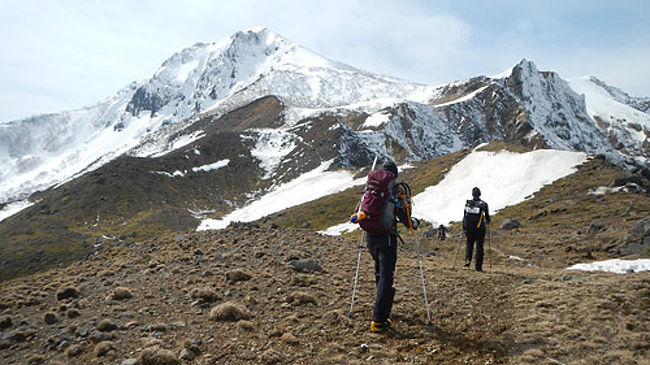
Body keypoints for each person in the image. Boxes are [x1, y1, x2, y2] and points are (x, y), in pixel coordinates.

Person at [350, 161, 418, 332]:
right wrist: (413, 223)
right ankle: (379, 320)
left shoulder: (370, 188)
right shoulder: (395, 190)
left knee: (380, 273)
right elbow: (405, 216)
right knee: (386, 277)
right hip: (387, 238)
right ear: (394, 175)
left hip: (370, 237)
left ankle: (382, 308)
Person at [463, 187, 490, 272]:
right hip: (480, 228)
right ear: (480, 194)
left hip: (469, 228)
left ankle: (468, 259)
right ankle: (478, 266)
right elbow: (487, 217)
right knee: (479, 246)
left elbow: (464, 216)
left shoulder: (468, 203)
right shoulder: (483, 204)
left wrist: (464, 227)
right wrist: (487, 222)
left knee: (469, 244)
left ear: (472, 194)